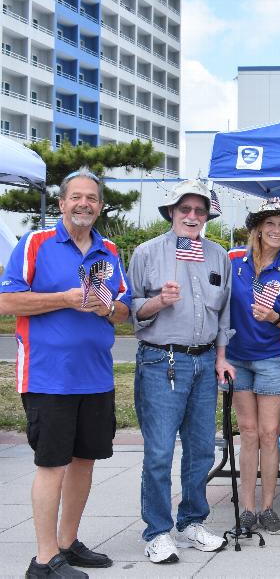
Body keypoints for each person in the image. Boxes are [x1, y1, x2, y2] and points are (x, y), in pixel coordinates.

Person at [0, 168, 132, 578]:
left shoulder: (109, 250)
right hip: (48, 376)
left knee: (84, 461)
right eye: (76, 197)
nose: (83, 204)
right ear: (62, 203)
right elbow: (6, 301)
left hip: (96, 376)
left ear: (100, 206)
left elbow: (124, 311)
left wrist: (107, 307)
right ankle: (43, 561)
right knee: (52, 464)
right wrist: (63, 298)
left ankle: (67, 542)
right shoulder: (35, 243)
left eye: (92, 198)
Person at [128, 179, 235, 563]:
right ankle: (157, 531)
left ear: (207, 216)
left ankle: (192, 521)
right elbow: (132, 311)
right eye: (185, 209)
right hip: (162, 360)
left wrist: (221, 357)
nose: (192, 216)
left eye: (199, 210)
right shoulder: (146, 252)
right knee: (159, 452)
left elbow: (223, 314)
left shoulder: (218, 255)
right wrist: (159, 301)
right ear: (172, 212)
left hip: (205, 361)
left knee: (201, 450)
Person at [226, 197, 280, 536]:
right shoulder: (232, 260)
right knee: (248, 432)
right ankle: (247, 509)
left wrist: (274, 317)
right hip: (236, 357)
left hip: (273, 357)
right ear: (257, 229)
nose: (276, 229)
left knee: (270, 433)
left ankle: (268, 507)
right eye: (270, 223)